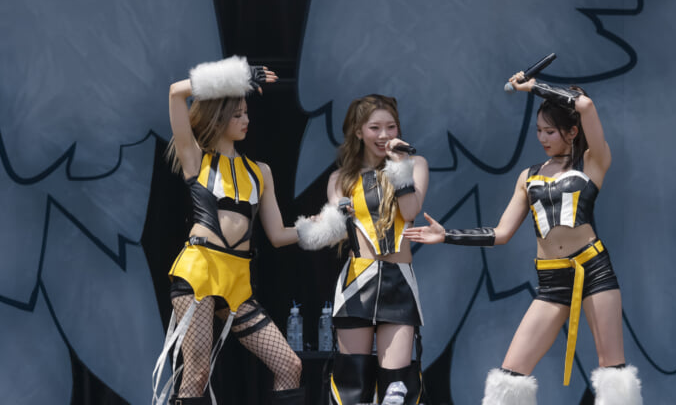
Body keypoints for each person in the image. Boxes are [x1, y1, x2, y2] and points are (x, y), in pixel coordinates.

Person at [403, 73, 643, 405]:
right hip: (552, 279)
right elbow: (501, 233)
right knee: (511, 376)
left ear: (573, 132)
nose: (542, 138)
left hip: (593, 270)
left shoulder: (593, 162)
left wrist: (533, 87)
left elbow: (585, 105)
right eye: (539, 131)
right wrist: (447, 235)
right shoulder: (528, 177)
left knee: (613, 373)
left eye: (550, 131)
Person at [152, 56, 304, 405]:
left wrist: (328, 226)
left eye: (246, 113)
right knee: (197, 373)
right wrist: (238, 75)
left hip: (238, 281)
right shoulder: (196, 159)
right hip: (199, 272)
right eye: (237, 114)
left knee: (289, 365)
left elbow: (278, 235)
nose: (245, 120)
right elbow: (176, 93)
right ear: (218, 117)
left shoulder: (260, 171)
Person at [295, 94, 429, 405]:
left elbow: (410, 211)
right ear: (358, 132)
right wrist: (322, 222)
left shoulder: (414, 165)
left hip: (399, 281)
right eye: (375, 128)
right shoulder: (340, 178)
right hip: (358, 280)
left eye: (391, 127)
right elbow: (335, 229)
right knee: (352, 386)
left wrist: (399, 167)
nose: (384, 135)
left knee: (397, 388)